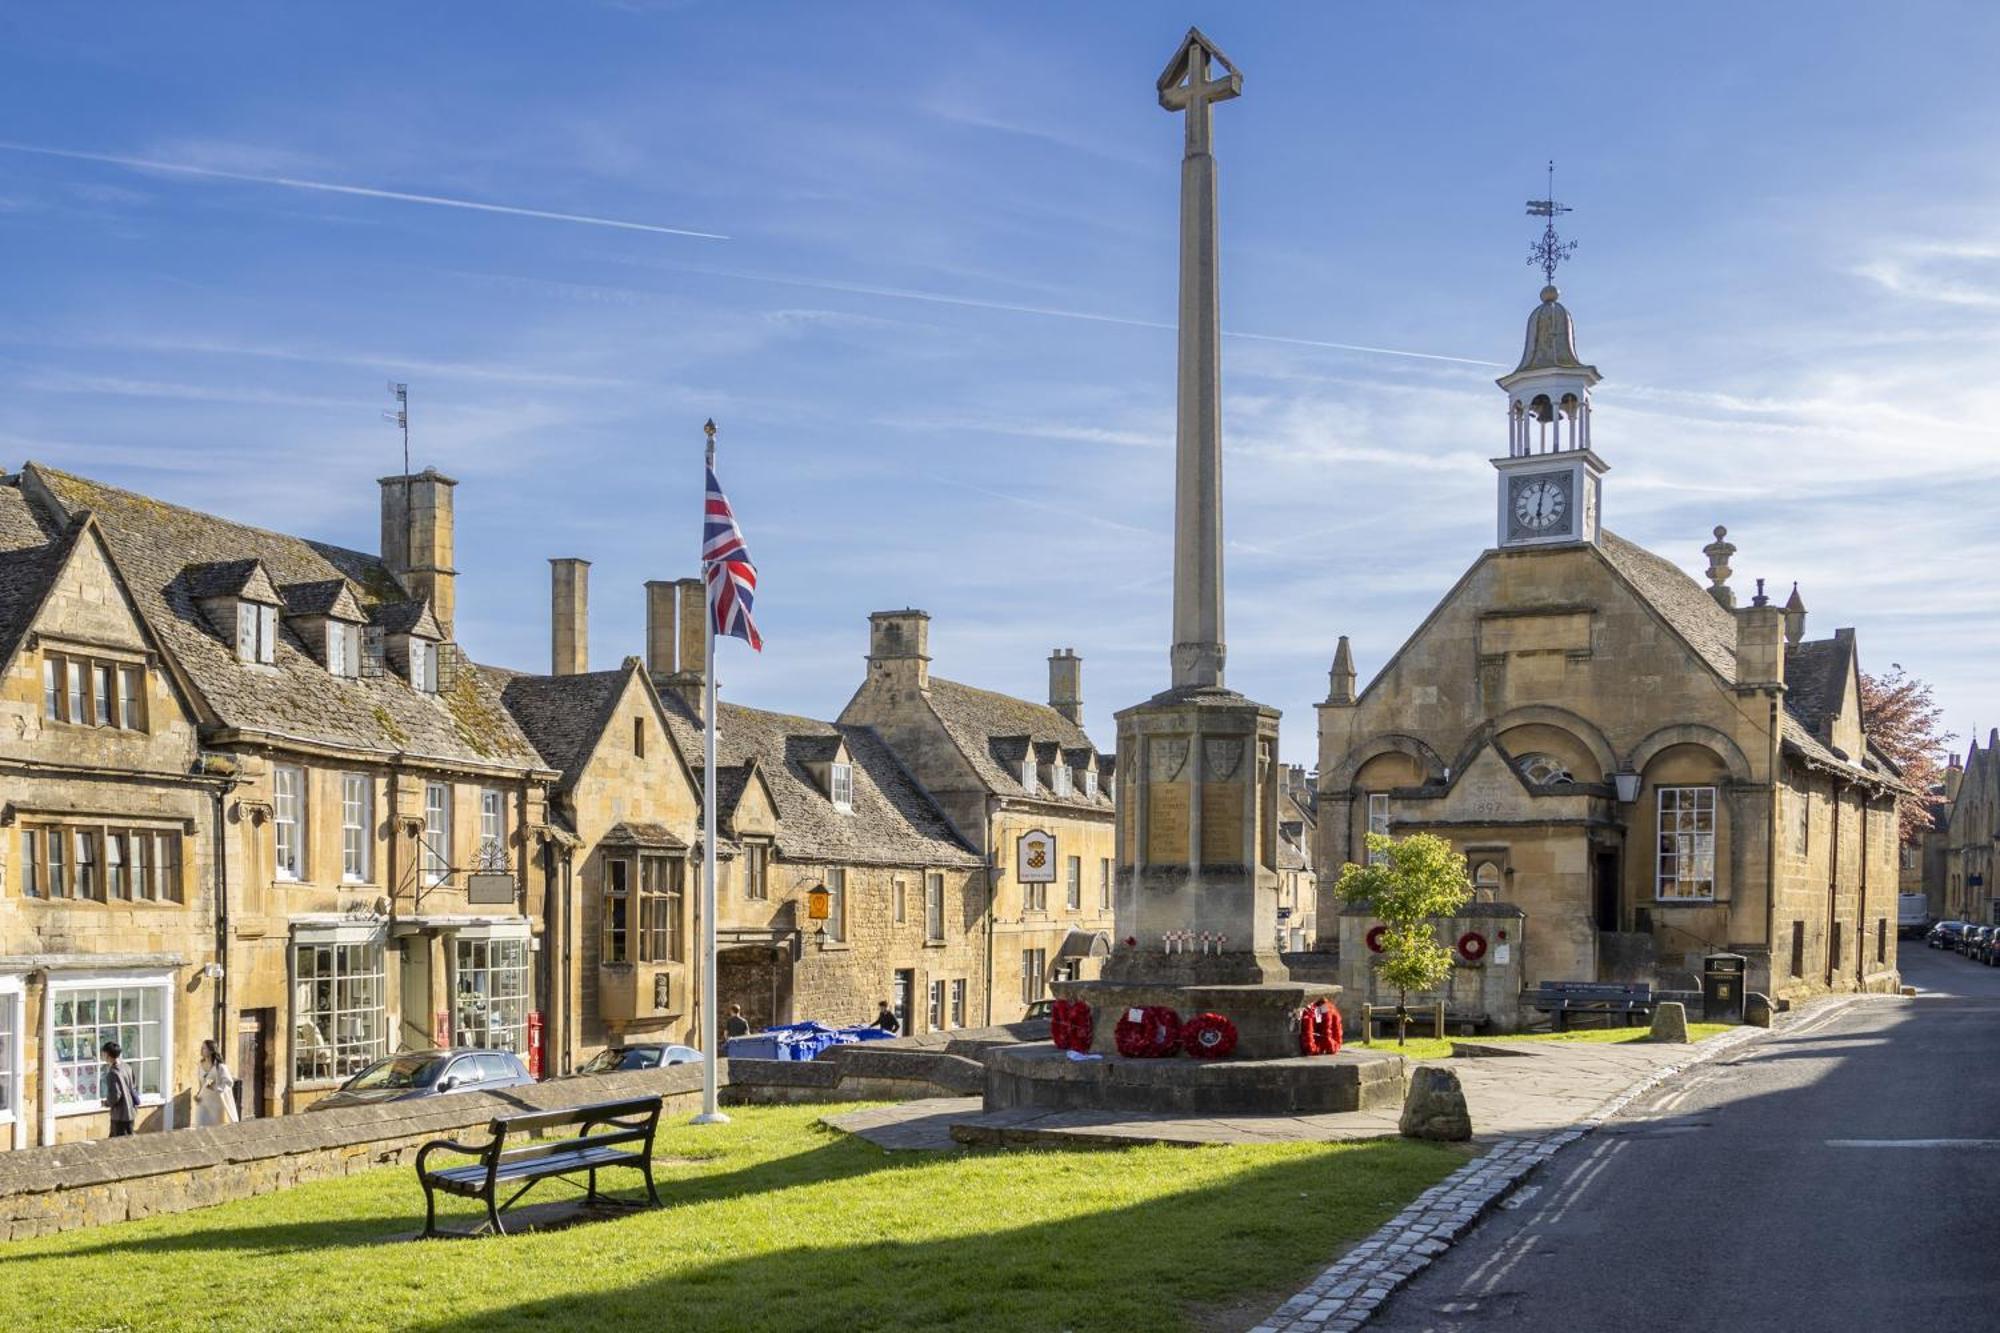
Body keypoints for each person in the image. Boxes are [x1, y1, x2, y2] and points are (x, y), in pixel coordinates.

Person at [193, 1038, 240, 1128]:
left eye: (204, 1048)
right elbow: (201, 1083)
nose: (201, 1050)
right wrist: (198, 1094)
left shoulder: (220, 1067)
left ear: (211, 1051)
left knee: (216, 1128)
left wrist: (216, 1088)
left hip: (216, 1103)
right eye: (202, 1048)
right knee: (200, 1125)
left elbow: (228, 1083)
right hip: (203, 1101)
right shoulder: (200, 1065)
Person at [100, 1042, 140, 1138]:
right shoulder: (127, 1067)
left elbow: (115, 1096)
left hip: (120, 1115)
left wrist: (106, 1103)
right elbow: (133, 1086)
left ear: (107, 1054)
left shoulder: (113, 1073)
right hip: (131, 1111)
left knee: (117, 1144)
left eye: (103, 1053)